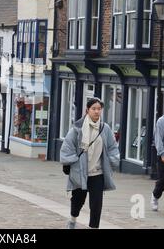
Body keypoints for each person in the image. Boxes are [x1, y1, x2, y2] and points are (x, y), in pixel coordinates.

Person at [60, 98, 120, 229]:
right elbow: (68, 146)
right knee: (78, 201)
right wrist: (68, 161)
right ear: (87, 110)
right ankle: (72, 219)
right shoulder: (77, 128)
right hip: (80, 171)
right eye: (94, 109)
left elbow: (112, 147)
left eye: (99, 109)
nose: (97, 111)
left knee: (96, 204)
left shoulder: (105, 129)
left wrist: (112, 161)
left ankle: (93, 227)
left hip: (97, 172)